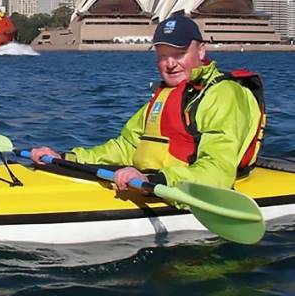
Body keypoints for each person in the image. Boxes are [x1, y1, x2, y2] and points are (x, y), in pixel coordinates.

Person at [31, 15, 265, 192]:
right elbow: (125, 147)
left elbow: (217, 171)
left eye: (179, 53)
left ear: (201, 50)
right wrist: (66, 158)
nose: (170, 63)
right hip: (148, 182)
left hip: (171, 186)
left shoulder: (223, 95)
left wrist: (155, 181)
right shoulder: (165, 95)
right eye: (163, 55)